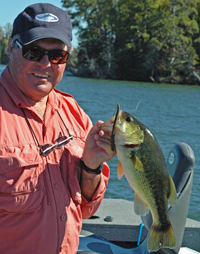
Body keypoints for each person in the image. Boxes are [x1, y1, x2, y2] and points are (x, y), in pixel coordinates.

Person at [0, 3, 115, 254]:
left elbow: (85, 208)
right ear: (11, 47)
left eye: (57, 56)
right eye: (33, 52)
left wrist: (90, 166)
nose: (45, 63)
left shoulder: (73, 112)